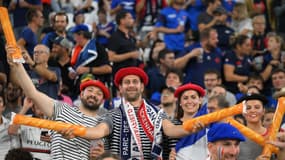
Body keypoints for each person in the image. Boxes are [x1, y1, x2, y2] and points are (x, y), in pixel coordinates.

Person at [60, 67, 193, 159]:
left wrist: (198, 124)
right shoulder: (111, 115)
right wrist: (76, 131)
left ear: (141, 87)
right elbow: (98, 132)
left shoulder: (157, 113)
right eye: (127, 82)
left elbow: (171, 130)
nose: (131, 85)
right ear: (121, 88)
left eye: (135, 82)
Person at [6, 44, 111, 159]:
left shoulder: (102, 122)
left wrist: (100, 155)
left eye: (99, 93)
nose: (93, 95)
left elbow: (97, 149)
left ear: (102, 100)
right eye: (90, 90)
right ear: (81, 94)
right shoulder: (62, 109)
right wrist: (16, 64)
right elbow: (32, 93)